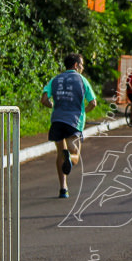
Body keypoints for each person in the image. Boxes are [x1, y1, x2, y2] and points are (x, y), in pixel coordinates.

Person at [40, 53, 97, 198]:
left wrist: (52, 105)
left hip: (57, 120)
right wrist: (84, 111)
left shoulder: (55, 79)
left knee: (60, 153)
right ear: (76, 65)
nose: (83, 67)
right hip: (74, 122)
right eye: (82, 64)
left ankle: (63, 188)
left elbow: (44, 99)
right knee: (75, 154)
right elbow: (93, 103)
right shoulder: (82, 80)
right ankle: (70, 159)